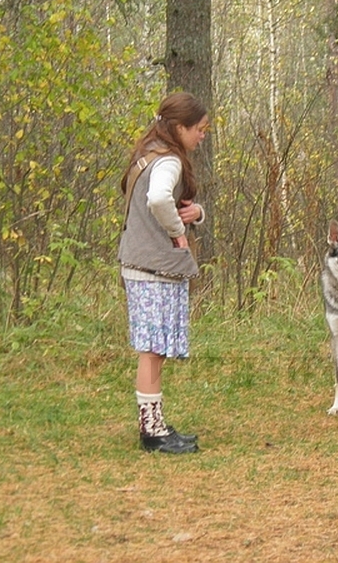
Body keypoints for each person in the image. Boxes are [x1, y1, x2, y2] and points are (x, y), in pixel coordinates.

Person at [118, 92, 209, 453]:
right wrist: (177, 232)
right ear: (179, 128)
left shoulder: (148, 153)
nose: (203, 135)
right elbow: (158, 200)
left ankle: (154, 424)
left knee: (152, 350)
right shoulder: (169, 161)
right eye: (199, 129)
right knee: (152, 351)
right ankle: (152, 433)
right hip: (151, 268)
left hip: (140, 264)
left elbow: (165, 203)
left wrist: (195, 213)